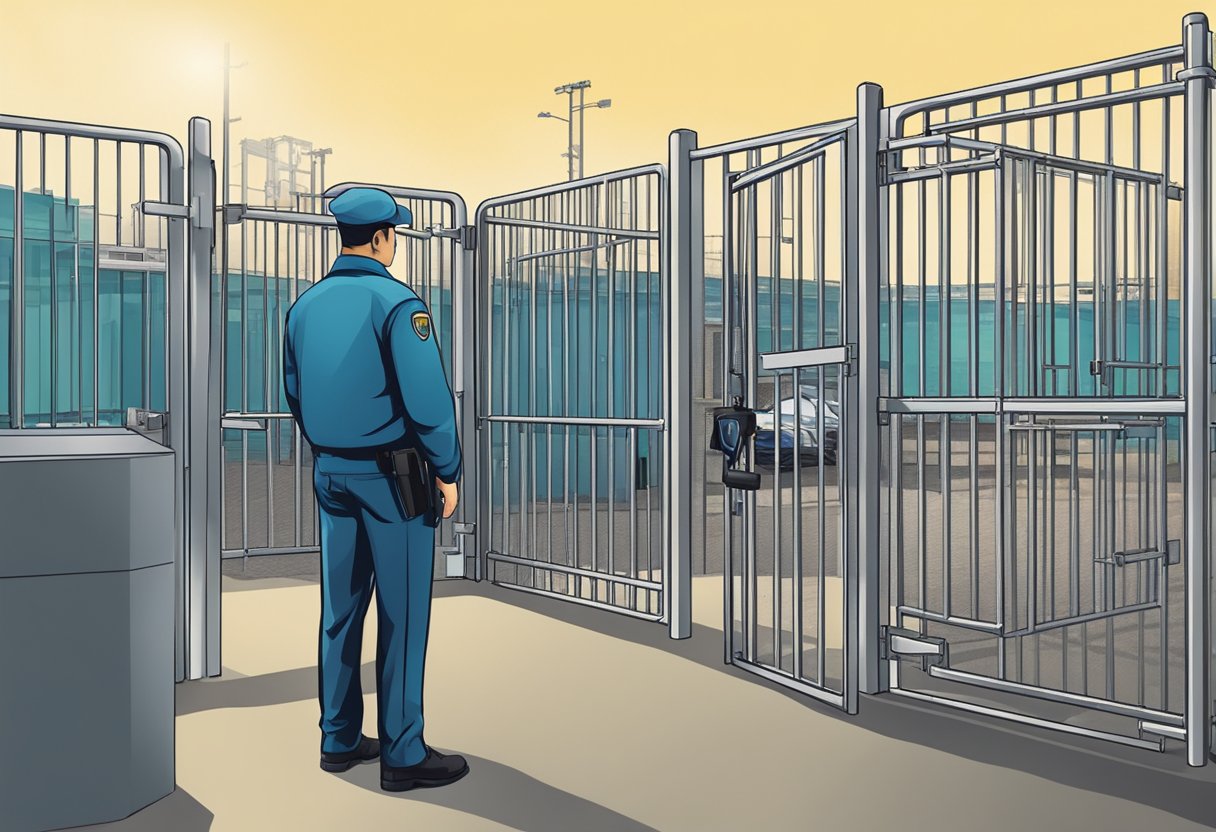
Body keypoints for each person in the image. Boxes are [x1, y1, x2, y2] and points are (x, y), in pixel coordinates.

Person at [282, 186, 467, 792]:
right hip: (395, 477)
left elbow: (295, 391)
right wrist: (448, 468)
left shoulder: (304, 307)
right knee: (403, 611)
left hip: (331, 471)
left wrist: (325, 451)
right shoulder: (398, 304)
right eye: (396, 234)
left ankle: (337, 738)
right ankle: (403, 754)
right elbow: (428, 399)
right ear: (384, 237)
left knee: (340, 608)